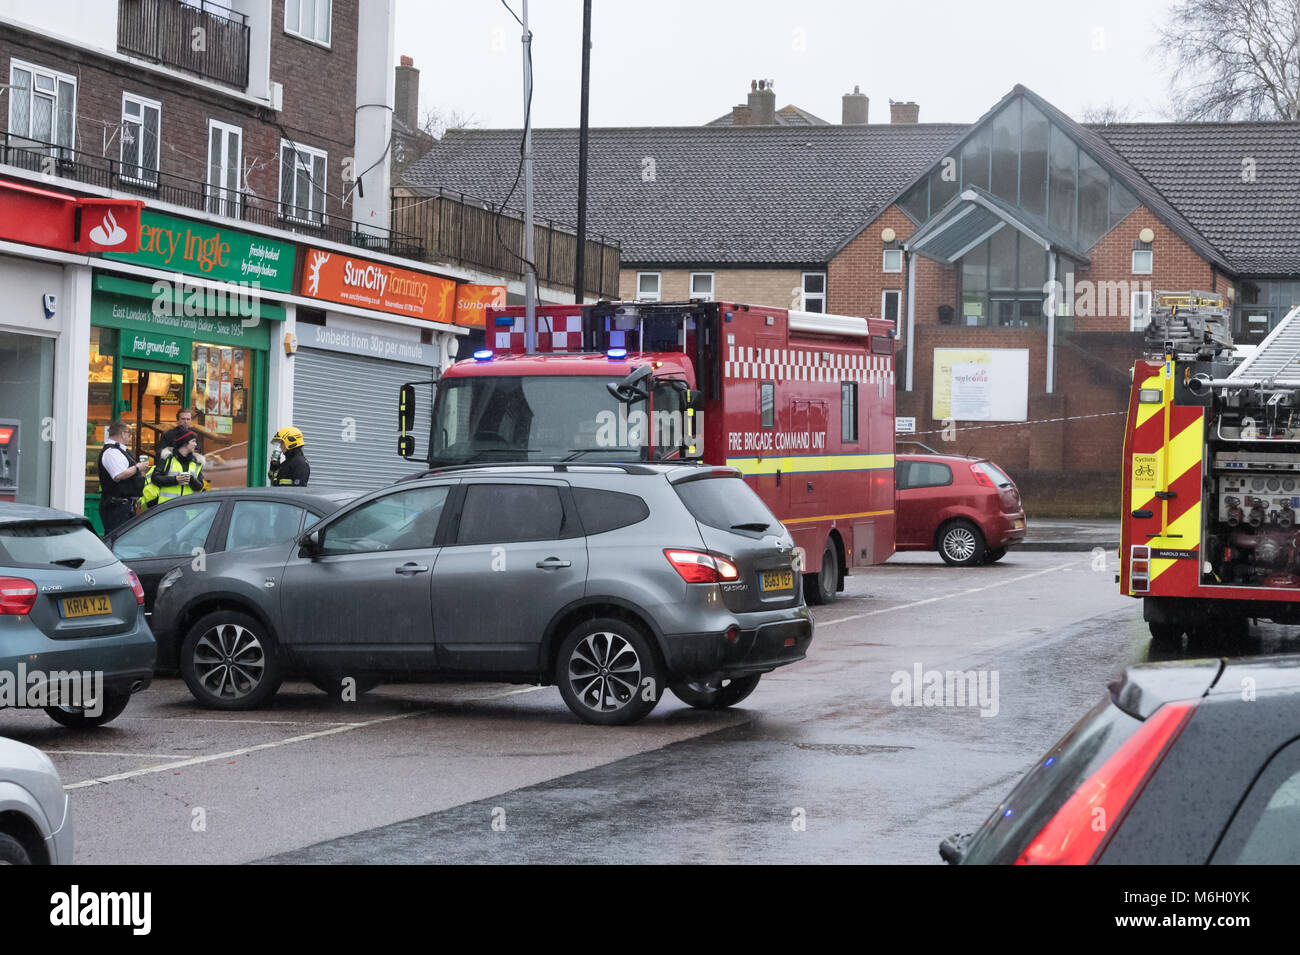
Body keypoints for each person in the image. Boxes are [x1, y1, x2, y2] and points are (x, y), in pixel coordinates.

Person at [97, 421, 149, 534]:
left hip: (124, 506)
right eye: (129, 434)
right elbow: (118, 475)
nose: (129, 437)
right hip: (116, 507)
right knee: (116, 539)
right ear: (123, 434)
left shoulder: (119, 450)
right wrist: (137, 467)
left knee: (124, 540)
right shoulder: (111, 451)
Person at [150, 431, 205, 505]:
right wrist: (175, 480)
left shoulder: (197, 462)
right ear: (185, 443)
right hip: (166, 508)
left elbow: (199, 486)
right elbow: (155, 478)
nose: (195, 444)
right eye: (193, 441)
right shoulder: (167, 458)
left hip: (187, 507)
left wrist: (191, 480)